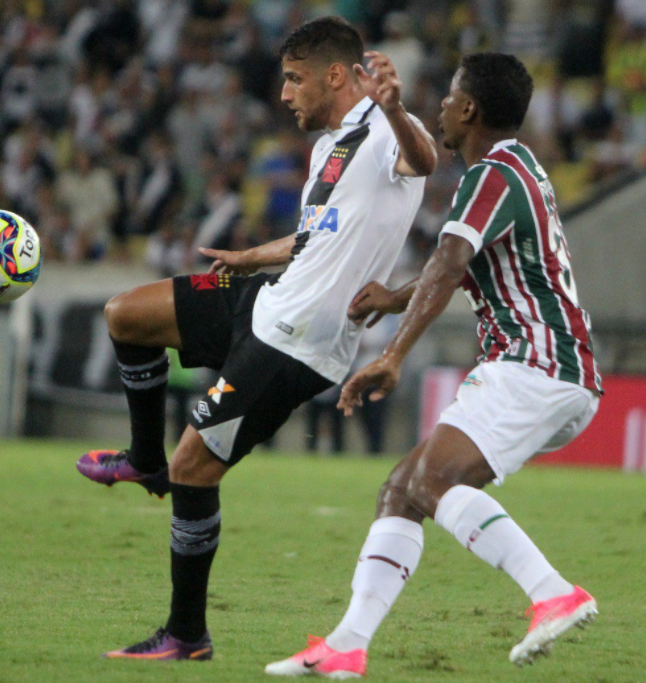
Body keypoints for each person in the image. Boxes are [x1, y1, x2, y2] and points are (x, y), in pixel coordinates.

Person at [75, 16, 437, 661]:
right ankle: (142, 458)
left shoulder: (385, 132)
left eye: (295, 79)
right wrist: (253, 257)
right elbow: (315, 237)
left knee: (196, 469)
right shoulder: (333, 142)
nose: (284, 94)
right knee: (126, 314)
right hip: (266, 300)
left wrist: (398, 107)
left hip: (300, 343)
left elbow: (424, 162)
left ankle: (187, 634)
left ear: (335, 75)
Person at [266, 53, 603, 678]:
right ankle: (347, 645)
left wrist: (394, 354)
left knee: (433, 483)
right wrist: (395, 296)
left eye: (448, 98)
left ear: (469, 108)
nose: (441, 109)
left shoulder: (492, 173)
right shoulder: (517, 169)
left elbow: (451, 263)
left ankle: (554, 592)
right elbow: (468, 264)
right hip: (548, 369)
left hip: (535, 364)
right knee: (401, 490)